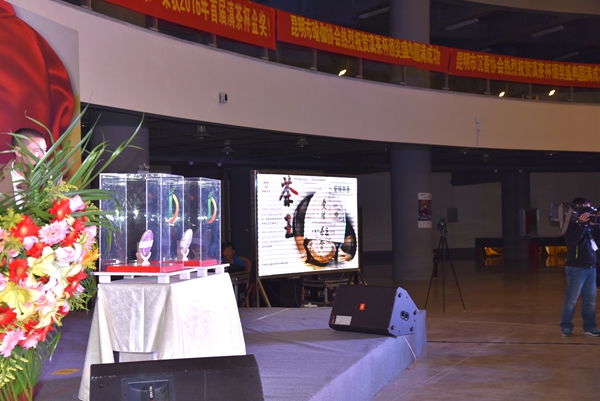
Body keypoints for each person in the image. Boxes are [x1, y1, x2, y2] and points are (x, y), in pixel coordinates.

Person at [560, 197, 600, 337]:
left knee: (590, 300)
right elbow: (572, 242)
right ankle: (566, 326)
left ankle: (590, 327)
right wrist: (582, 225)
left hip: (591, 266)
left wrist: (596, 226)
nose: (588, 212)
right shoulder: (570, 224)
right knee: (571, 299)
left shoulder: (591, 224)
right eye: (585, 209)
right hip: (576, 267)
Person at [0, 128, 47, 201]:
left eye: (44, 150)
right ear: (18, 151)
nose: (43, 155)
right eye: (37, 150)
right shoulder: (1, 173)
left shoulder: (52, 176)